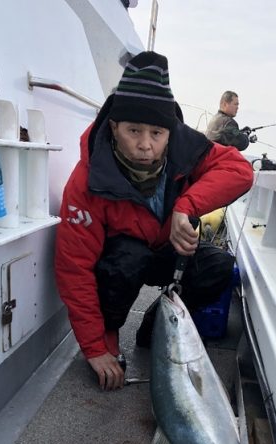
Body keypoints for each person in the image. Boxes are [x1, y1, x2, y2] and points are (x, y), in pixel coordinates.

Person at [55, 52, 253, 391]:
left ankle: (156, 325)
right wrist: (95, 347)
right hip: (123, 262)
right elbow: (74, 268)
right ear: (114, 127)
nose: (145, 144)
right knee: (127, 258)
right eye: (133, 130)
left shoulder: (186, 146)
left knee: (218, 266)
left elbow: (239, 171)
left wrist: (186, 206)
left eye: (157, 133)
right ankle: (111, 331)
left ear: (170, 132)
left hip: (167, 250)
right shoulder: (86, 180)